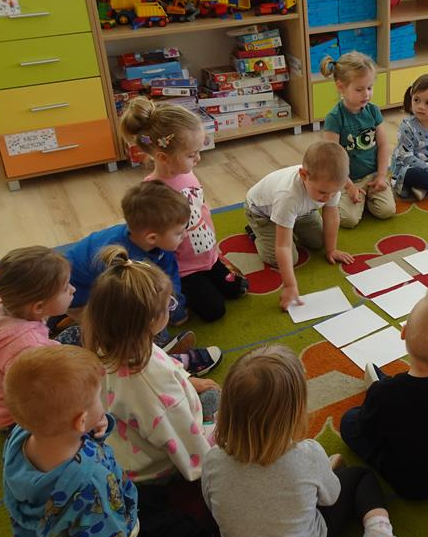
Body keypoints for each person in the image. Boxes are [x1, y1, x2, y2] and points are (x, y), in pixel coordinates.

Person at [201, 346, 428, 537]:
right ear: (295, 412)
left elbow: (211, 505)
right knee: (360, 477)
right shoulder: (307, 454)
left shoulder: (212, 459)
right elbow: (331, 498)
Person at [2, 345, 210, 537]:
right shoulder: (90, 485)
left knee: (155, 499)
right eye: (98, 398)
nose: (103, 403)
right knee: (194, 535)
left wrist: (94, 429)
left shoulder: (22, 436)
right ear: (80, 421)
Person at [83, 246, 220, 484]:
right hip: (156, 468)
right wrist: (212, 458)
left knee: (208, 394)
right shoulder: (151, 383)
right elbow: (189, 450)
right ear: (149, 321)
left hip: (126, 442)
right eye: (169, 305)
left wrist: (187, 380)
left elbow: (159, 363)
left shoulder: (112, 342)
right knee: (224, 404)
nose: (171, 308)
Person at [339, 287, 428, 499]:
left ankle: (383, 384)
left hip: (413, 484)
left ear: (403, 332)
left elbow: (367, 427)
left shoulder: (386, 395)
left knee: (349, 421)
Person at [64, 181, 219, 374]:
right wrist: (158, 327)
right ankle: (155, 352)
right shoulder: (123, 264)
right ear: (152, 238)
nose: (185, 235)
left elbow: (170, 272)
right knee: (122, 328)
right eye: (179, 232)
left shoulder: (157, 242)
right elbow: (130, 306)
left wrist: (176, 305)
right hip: (78, 295)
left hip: (92, 285)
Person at [121, 96, 247, 322]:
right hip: (185, 268)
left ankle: (212, 272)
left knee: (238, 289)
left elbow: (200, 205)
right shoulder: (152, 192)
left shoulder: (186, 172)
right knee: (214, 311)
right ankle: (179, 296)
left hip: (208, 255)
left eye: (198, 151)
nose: (198, 158)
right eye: (191, 154)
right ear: (163, 157)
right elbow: (153, 240)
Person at [0, 246, 73, 430]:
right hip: (13, 419)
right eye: (65, 288)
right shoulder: (28, 347)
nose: (73, 290)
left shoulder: (3, 305)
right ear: (38, 307)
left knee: (77, 336)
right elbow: (42, 392)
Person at [244, 141, 354, 310]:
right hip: (261, 213)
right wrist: (290, 285)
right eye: (323, 192)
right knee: (287, 258)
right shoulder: (288, 196)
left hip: (302, 211)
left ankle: (289, 224)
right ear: (303, 175)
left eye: (334, 193)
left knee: (320, 242)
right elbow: (282, 246)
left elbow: (332, 216)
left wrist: (331, 249)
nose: (328, 198)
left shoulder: (329, 186)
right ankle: (255, 233)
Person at [320, 52, 395, 229]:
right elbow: (333, 160)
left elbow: (383, 145)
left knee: (387, 211)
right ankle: (353, 198)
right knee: (348, 220)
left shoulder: (373, 110)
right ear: (341, 87)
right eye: (359, 89)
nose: (366, 94)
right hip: (345, 179)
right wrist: (349, 186)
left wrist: (381, 176)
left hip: (372, 175)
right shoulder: (334, 118)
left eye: (369, 88)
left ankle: (367, 197)